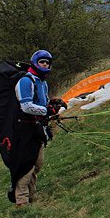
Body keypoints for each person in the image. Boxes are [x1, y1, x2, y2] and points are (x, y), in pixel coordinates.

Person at [10, 50, 66, 206]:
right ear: (35, 62)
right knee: (26, 165)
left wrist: (53, 105)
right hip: (24, 130)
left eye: (48, 63)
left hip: (38, 128)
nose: (45, 65)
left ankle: (31, 195)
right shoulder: (26, 81)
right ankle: (21, 200)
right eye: (42, 62)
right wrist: (47, 110)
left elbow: (42, 103)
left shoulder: (42, 82)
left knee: (37, 164)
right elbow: (26, 106)